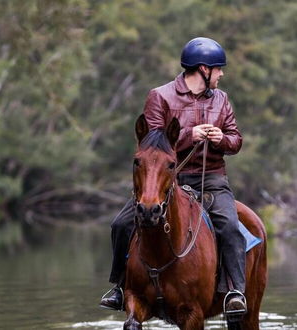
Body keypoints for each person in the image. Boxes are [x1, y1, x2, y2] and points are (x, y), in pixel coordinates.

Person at [100, 37, 247, 315]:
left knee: (230, 226)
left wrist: (221, 139)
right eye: (218, 69)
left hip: (212, 179)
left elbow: (236, 140)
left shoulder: (222, 99)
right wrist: (189, 135)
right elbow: (151, 146)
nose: (222, 74)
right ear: (204, 69)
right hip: (166, 180)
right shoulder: (160, 96)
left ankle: (234, 292)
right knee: (120, 224)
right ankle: (119, 287)